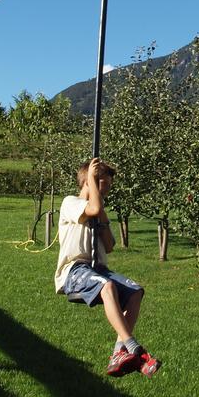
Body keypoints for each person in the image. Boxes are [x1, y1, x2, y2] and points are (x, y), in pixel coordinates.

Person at [54, 158, 160, 377]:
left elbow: (110, 246)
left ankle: (118, 352)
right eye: (106, 183)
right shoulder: (70, 202)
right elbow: (91, 207)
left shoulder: (99, 210)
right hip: (75, 270)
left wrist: (101, 219)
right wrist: (93, 184)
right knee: (108, 286)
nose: (109, 189)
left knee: (135, 291)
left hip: (98, 269)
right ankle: (132, 347)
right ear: (90, 181)